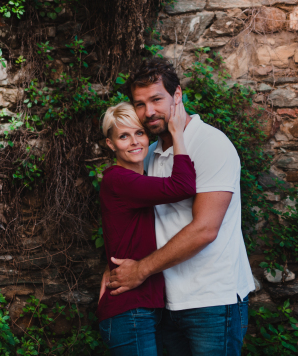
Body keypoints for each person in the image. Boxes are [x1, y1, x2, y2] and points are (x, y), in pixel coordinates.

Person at [106, 57, 255, 355]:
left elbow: (204, 230)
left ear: (177, 96)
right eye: (139, 103)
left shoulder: (211, 144)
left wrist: (141, 270)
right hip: (166, 302)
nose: (148, 112)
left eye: (156, 99)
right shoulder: (147, 154)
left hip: (212, 300)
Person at [97, 100, 196, 356]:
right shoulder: (118, 179)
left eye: (139, 132)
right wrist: (177, 134)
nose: (134, 142)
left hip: (145, 306)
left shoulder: (139, 180)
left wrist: (107, 269)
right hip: (129, 310)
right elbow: (182, 186)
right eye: (123, 136)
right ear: (111, 144)